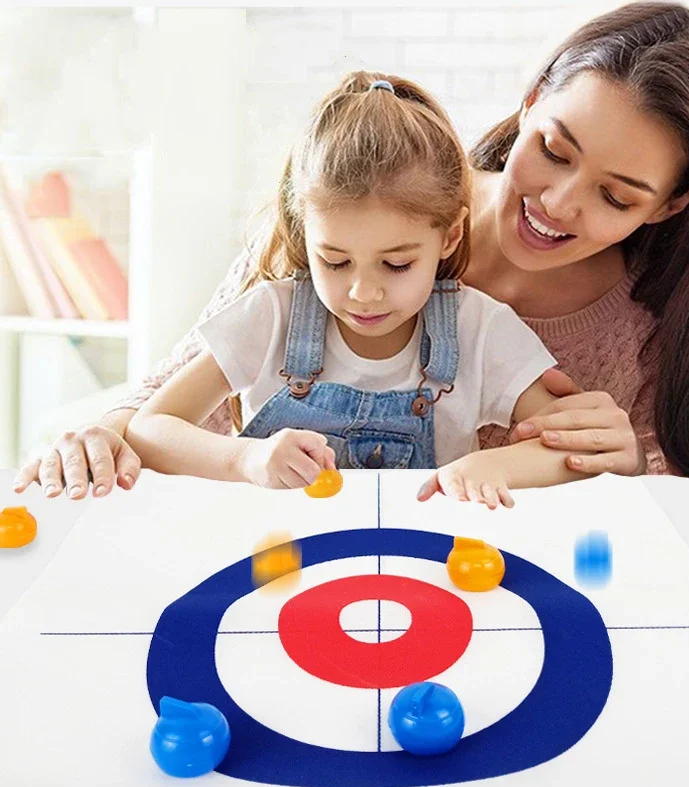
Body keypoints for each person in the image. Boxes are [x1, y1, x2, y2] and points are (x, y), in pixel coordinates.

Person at [13, 2, 689, 501]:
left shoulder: (644, 326)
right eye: (554, 149)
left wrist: (626, 461)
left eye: (616, 196)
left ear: (671, 205)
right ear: (532, 100)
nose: (560, 203)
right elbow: (170, 405)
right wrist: (103, 435)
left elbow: (686, 501)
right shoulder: (361, 203)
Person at [123, 73, 588, 509]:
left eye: (397, 264)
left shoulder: (480, 330)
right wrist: (244, 459)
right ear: (305, 234)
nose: (364, 293)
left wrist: (495, 463)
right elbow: (149, 429)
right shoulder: (271, 317)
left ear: (448, 237)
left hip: (424, 564)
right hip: (274, 557)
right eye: (335, 261)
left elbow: (567, 450)